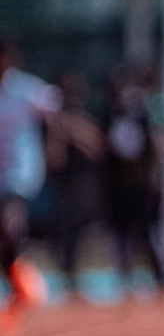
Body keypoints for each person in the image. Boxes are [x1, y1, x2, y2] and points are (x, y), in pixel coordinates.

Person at [0, 38, 61, 336]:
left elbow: (58, 110)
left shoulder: (25, 89)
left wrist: (54, 146)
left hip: (20, 173)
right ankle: (22, 282)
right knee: (4, 240)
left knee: (9, 223)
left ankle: (21, 288)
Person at [102, 64, 164, 301]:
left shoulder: (141, 114)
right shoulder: (109, 114)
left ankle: (161, 278)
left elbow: (152, 145)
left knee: (148, 234)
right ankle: (126, 279)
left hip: (140, 185)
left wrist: (154, 176)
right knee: (120, 235)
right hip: (117, 186)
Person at [45, 72, 104, 302]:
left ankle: (77, 276)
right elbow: (54, 159)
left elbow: (98, 146)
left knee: (83, 234)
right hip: (64, 187)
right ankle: (68, 277)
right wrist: (60, 133)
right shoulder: (56, 121)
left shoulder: (83, 119)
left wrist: (74, 133)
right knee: (64, 234)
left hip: (85, 186)